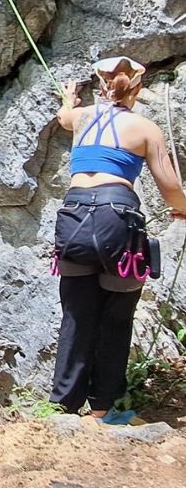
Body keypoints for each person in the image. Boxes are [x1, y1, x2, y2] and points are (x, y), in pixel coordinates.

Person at [52, 55, 186, 419]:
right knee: (115, 318)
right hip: (117, 221)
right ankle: (102, 411)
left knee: (76, 316)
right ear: (137, 88)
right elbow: (170, 187)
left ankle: (63, 408)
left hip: (74, 217)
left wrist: (68, 99)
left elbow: (65, 118)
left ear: (100, 85)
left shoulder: (81, 118)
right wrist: (184, 209)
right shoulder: (145, 129)